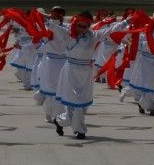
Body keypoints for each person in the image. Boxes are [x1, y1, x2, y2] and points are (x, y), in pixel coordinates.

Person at [48, 11, 125, 139]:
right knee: (75, 102)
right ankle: (80, 130)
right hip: (71, 71)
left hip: (85, 73)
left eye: (86, 27)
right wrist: (45, 20)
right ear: (76, 24)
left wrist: (126, 21)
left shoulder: (93, 36)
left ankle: (60, 120)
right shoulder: (68, 34)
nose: (83, 29)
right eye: (80, 26)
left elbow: (111, 29)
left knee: (82, 105)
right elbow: (54, 27)